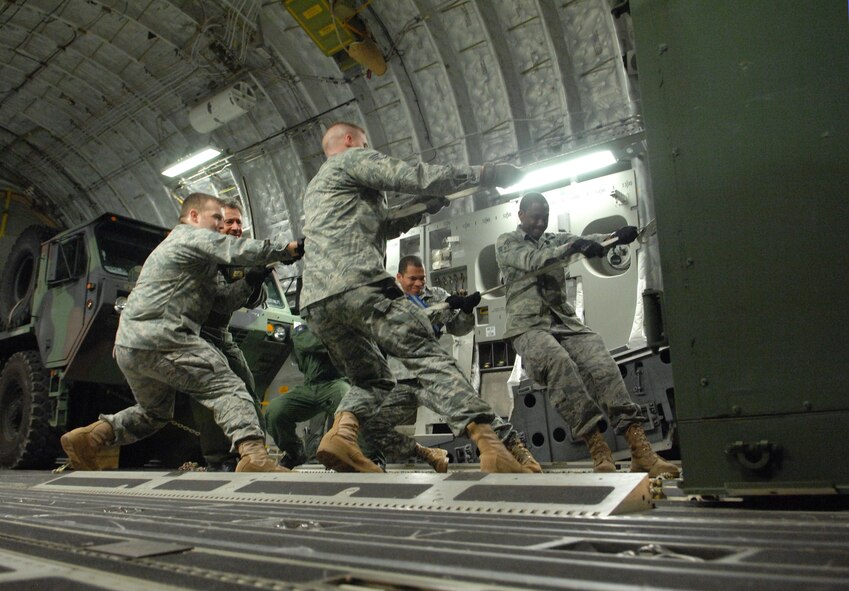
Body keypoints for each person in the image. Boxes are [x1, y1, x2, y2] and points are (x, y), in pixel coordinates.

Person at [300, 120, 527, 474]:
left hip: (317, 302)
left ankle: (341, 436)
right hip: (358, 286)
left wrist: (425, 207)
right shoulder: (349, 160)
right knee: (427, 354)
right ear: (349, 140)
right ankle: (491, 445)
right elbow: (410, 174)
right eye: (364, 142)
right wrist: (483, 174)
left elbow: (382, 225)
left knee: (372, 377)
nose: (366, 147)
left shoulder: (316, 189)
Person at [60, 193, 302, 473]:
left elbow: (221, 300)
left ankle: (90, 438)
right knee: (228, 387)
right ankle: (254, 458)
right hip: (163, 336)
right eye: (217, 219)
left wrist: (251, 278)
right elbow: (238, 250)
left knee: (153, 413)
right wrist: (290, 249)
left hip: (130, 344)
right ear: (195, 216)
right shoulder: (190, 236)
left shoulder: (189, 254)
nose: (221, 225)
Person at [494, 192, 680, 477]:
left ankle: (640, 451)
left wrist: (615, 237)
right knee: (558, 362)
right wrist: (574, 247)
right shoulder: (507, 242)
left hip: (564, 322)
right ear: (521, 216)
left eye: (544, 216)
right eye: (535, 217)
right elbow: (534, 260)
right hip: (527, 326)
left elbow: (588, 238)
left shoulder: (552, 238)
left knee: (601, 362)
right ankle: (598, 448)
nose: (540, 222)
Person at [362, 255, 542, 473]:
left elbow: (459, 328)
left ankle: (517, 451)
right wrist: (442, 309)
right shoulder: (388, 302)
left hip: (433, 372)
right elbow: (403, 325)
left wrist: (465, 310)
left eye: (422, 278)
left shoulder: (436, 295)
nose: (419, 284)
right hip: (400, 379)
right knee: (370, 425)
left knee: (474, 412)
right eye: (413, 279)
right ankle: (426, 453)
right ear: (399, 277)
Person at [189, 199, 270, 471]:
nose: (236, 228)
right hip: (193, 332)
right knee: (211, 393)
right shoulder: (206, 254)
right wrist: (250, 280)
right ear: (216, 223)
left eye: (239, 222)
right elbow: (220, 301)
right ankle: (218, 460)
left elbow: (257, 300)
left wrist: (255, 279)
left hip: (219, 333)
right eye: (229, 222)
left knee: (246, 386)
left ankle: (257, 454)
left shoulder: (238, 255)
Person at [264, 322, 354, 469]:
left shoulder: (339, 324)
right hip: (309, 387)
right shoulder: (301, 329)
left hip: (335, 383)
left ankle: (351, 454)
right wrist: (331, 339)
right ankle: (295, 452)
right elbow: (308, 344)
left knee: (349, 404)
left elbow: (322, 344)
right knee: (275, 411)